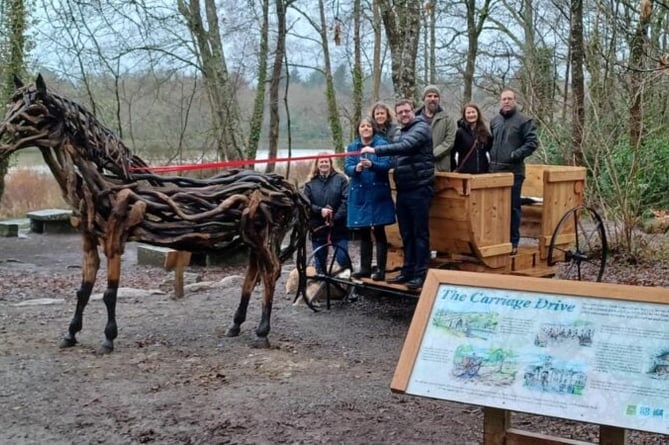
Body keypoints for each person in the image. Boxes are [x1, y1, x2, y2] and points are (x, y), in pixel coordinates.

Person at [360, 99, 434, 290]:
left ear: (412, 111)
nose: (403, 115)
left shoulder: (421, 128)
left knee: (419, 233)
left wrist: (375, 150)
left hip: (420, 187)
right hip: (404, 188)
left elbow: (405, 147)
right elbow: (394, 159)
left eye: (406, 111)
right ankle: (408, 271)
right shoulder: (400, 132)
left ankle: (420, 274)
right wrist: (372, 164)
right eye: (400, 112)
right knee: (406, 233)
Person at [344, 117, 396, 281]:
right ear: (358, 129)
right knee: (363, 230)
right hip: (360, 193)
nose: (365, 129)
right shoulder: (353, 146)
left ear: (373, 128)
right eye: (362, 126)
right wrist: (356, 168)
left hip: (377, 192)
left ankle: (380, 269)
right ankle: (365, 268)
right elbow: (347, 167)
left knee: (379, 231)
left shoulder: (381, 144)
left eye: (368, 126)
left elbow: (387, 164)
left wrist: (371, 165)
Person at [489, 88, 538, 255]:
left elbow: (532, 143)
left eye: (510, 98)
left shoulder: (524, 121)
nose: (507, 101)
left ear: (515, 100)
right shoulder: (495, 121)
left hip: (514, 172)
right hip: (494, 171)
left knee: (512, 208)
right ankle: (497, 240)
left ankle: (513, 242)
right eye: (504, 99)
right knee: (495, 208)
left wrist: (515, 155)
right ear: (500, 101)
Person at [303, 154, 350, 274]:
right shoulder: (310, 183)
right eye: (321, 162)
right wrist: (320, 211)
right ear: (317, 165)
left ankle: (348, 284)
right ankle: (321, 285)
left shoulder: (341, 179)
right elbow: (305, 203)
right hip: (318, 227)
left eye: (326, 162)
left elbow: (347, 200)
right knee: (320, 262)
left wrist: (334, 217)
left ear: (331, 163)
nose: (324, 164)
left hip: (338, 226)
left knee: (343, 258)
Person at [415, 85, 456, 172]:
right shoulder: (414, 119)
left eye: (435, 96)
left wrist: (431, 154)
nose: (432, 99)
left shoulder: (447, 118)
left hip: (440, 168)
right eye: (429, 96)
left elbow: (449, 141)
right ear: (424, 98)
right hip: (418, 168)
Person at [451, 103, 492, 174]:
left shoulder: (484, 132)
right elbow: (452, 152)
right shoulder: (460, 132)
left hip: (482, 173)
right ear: (464, 115)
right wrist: (453, 168)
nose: (471, 115)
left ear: (478, 114)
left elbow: (490, 150)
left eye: (473, 112)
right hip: (464, 174)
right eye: (468, 113)